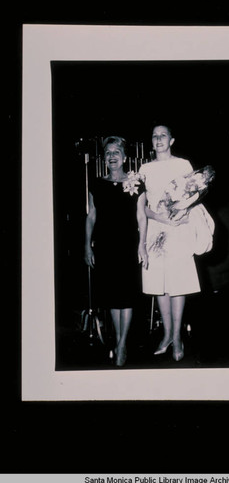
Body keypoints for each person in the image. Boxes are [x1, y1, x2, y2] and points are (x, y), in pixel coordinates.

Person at [137, 125, 201, 362]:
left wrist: (180, 216)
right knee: (160, 284)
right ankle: (166, 336)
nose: (158, 139)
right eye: (154, 136)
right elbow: (141, 207)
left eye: (163, 135)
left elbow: (193, 196)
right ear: (151, 142)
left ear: (172, 140)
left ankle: (177, 337)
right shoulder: (144, 169)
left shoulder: (183, 165)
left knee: (178, 283)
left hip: (178, 229)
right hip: (155, 229)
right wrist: (159, 217)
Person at [84, 136, 147, 367]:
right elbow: (91, 216)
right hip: (106, 247)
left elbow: (141, 216)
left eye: (116, 152)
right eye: (108, 152)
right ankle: (121, 341)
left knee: (127, 295)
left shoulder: (136, 182)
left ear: (124, 157)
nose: (112, 156)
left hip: (128, 245)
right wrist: (86, 245)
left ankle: (121, 345)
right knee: (112, 296)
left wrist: (142, 244)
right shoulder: (97, 184)